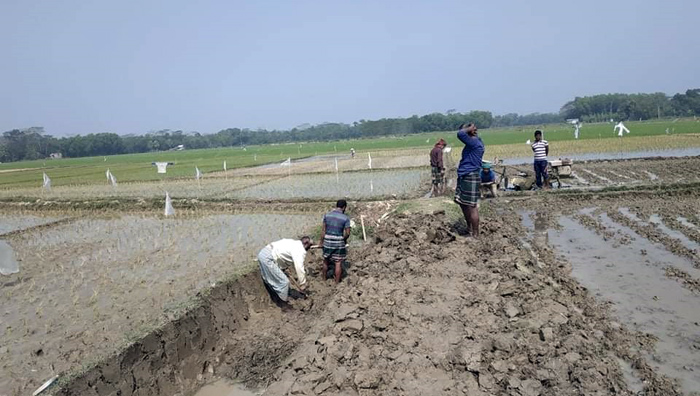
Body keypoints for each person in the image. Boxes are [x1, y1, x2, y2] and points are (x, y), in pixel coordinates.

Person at [257, 236, 313, 303]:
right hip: (267, 258)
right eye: (309, 246)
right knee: (284, 282)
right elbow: (299, 268)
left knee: (271, 278)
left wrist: (284, 268)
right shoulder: (300, 250)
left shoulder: (293, 242)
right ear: (306, 244)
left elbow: (281, 254)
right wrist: (302, 283)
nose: (308, 249)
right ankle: (283, 303)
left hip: (264, 253)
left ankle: (276, 294)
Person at [455, 123, 485, 237]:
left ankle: (475, 234)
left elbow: (460, 134)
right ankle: (470, 229)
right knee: (462, 203)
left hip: (470, 175)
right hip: (465, 174)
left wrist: (469, 128)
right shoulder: (474, 142)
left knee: (471, 206)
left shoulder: (474, 142)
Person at [321, 199, 351, 283]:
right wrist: (343, 239)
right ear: (344, 207)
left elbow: (323, 231)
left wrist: (321, 243)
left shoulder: (327, 215)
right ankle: (337, 283)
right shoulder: (345, 218)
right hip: (338, 242)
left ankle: (323, 279)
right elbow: (347, 233)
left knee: (326, 260)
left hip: (327, 241)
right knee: (338, 262)